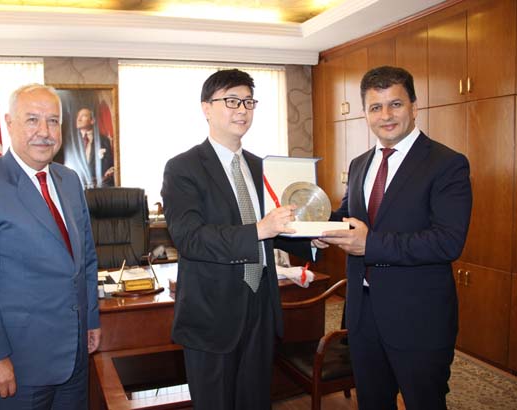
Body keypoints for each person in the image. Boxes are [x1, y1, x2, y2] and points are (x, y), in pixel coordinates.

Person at [316, 66, 472, 410]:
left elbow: (447, 241)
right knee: (372, 401)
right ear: (365, 113)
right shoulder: (359, 164)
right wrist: (316, 228)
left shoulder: (447, 164)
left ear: (414, 106)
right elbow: (349, 218)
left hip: (418, 317)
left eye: (395, 104)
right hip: (362, 314)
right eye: (376, 107)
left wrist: (370, 245)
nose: (385, 116)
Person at [161, 69, 314, 410]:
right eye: (231, 101)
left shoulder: (262, 167)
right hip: (212, 314)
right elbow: (190, 238)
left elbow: (276, 231)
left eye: (248, 101)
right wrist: (259, 229)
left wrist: (311, 238)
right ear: (206, 108)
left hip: (261, 306)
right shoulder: (183, 167)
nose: (242, 110)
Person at [0, 84, 101, 410]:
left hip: (74, 357)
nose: (44, 131)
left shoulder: (69, 180)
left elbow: (85, 259)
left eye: (53, 121)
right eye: (32, 120)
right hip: (18, 365)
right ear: (9, 123)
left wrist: (90, 320)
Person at [76, 107, 114, 186]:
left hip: (98, 187)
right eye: (78, 116)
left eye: (83, 116)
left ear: (92, 121)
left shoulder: (104, 140)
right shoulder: (72, 142)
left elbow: (109, 166)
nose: (79, 119)